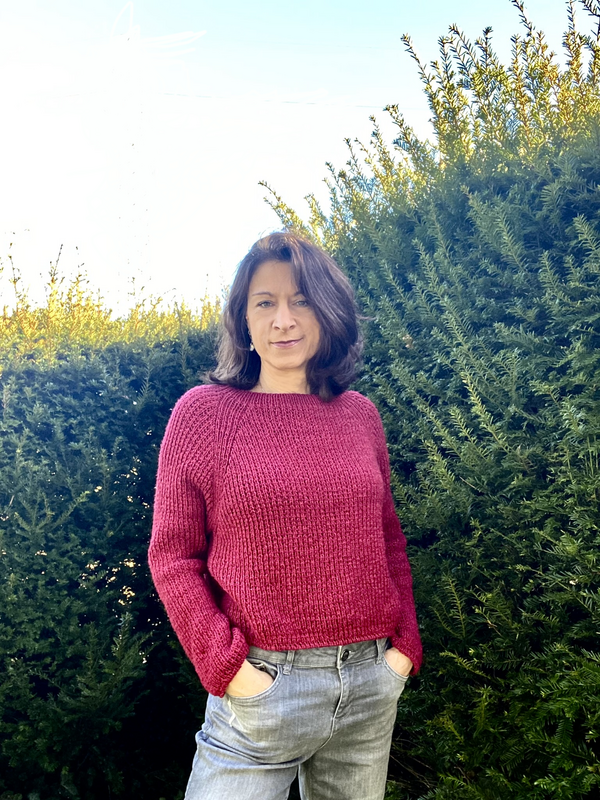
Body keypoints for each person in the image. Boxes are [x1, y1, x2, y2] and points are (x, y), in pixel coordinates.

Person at [148, 232, 422, 800]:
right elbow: (172, 557)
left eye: (300, 300)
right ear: (243, 320)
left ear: (326, 309)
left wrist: (403, 651)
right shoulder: (203, 416)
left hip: (370, 681)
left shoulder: (360, 416)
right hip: (262, 687)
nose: (283, 320)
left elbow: (388, 539)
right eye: (264, 302)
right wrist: (229, 670)